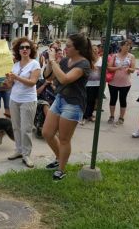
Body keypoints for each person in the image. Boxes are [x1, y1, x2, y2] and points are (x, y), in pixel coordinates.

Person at [42, 33, 93, 181]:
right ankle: (59, 158)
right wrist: (50, 62)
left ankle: (61, 169)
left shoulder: (84, 64)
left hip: (73, 103)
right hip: (60, 99)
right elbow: (48, 77)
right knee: (47, 132)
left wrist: (53, 61)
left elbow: (64, 79)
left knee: (64, 139)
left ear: (78, 49)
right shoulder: (65, 61)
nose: (65, 48)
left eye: (69, 46)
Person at [6, 37, 41, 168]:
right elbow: (11, 84)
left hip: (28, 100)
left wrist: (16, 77)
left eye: (27, 47)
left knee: (26, 129)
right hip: (14, 99)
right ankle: (18, 150)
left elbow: (32, 82)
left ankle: (26, 155)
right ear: (18, 50)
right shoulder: (15, 65)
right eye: (22, 47)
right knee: (15, 127)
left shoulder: (35, 64)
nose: (25, 49)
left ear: (31, 50)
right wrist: (8, 80)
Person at [107, 40, 136, 125]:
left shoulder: (131, 56)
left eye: (129, 45)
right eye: (126, 45)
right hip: (113, 82)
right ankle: (111, 116)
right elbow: (109, 68)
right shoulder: (115, 56)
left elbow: (133, 69)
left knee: (123, 100)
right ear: (121, 46)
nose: (128, 47)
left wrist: (129, 69)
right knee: (113, 99)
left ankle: (121, 118)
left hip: (125, 83)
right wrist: (117, 68)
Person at [82, 44, 102, 124]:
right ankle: (85, 116)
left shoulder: (101, 59)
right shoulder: (87, 60)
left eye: (96, 49)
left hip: (97, 83)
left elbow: (103, 71)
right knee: (86, 100)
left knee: (93, 100)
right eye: (93, 49)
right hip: (88, 83)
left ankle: (89, 115)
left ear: (98, 50)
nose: (94, 50)